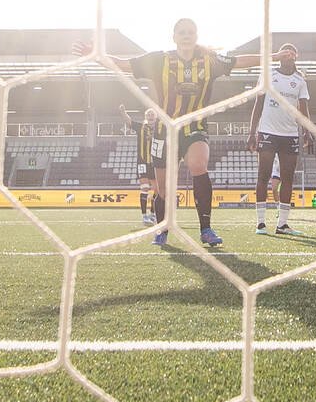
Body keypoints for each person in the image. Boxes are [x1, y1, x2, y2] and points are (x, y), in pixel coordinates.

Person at [79, 20, 258, 248]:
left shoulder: (209, 61)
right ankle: (163, 228)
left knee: (199, 165)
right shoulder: (159, 60)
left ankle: (206, 229)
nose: (186, 36)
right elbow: (122, 65)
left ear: (196, 35)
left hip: (195, 127)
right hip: (164, 132)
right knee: (163, 189)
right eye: (182, 32)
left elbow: (241, 61)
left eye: (190, 32)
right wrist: (97, 56)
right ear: (174, 36)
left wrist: (275, 56)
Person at [248, 43, 310, 235]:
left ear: (296, 57)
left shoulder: (300, 80)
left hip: (290, 134)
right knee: (263, 176)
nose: (289, 54)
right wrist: (252, 132)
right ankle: (260, 223)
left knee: (288, 178)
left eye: (293, 51)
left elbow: (304, 109)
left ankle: (282, 224)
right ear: (280, 56)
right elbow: (258, 104)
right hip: (268, 132)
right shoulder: (267, 75)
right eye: (285, 51)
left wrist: (307, 130)